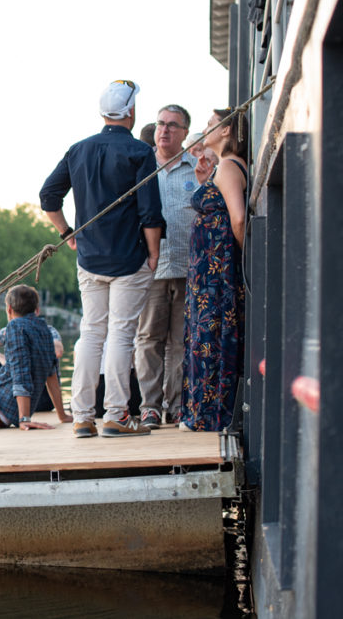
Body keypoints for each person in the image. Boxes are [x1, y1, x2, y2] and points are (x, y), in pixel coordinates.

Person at [39, 80, 165, 438]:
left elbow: (49, 195)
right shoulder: (141, 153)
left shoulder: (79, 149)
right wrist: (154, 253)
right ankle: (116, 415)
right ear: (131, 112)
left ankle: (82, 417)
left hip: (90, 259)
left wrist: (67, 234)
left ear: (102, 113)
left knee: (91, 333)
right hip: (129, 258)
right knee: (121, 335)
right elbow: (150, 212)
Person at [181, 109, 249, 432]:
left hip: (215, 273)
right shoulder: (222, 168)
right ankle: (204, 411)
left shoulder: (229, 167)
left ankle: (209, 414)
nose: (206, 128)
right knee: (206, 335)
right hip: (208, 270)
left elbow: (238, 218)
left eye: (211, 124)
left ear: (227, 130)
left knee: (210, 336)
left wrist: (240, 259)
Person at [133, 105, 200, 429]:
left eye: (173, 125)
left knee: (181, 342)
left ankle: (175, 405)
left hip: (189, 268)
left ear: (185, 132)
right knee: (148, 339)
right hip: (152, 268)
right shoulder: (142, 168)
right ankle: (149, 407)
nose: (165, 130)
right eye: (161, 123)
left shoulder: (198, 168)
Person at [0, 285, 64, 429]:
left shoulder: (15, 326)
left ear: (9, 310)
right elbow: (52, 376)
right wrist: (62, 415)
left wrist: (24, 418)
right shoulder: (46, 330)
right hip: (9, 412)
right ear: (36, 309)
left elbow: (21, 373)